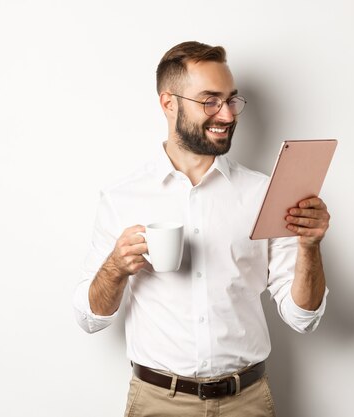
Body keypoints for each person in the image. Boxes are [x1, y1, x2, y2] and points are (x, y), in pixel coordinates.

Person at [73, 41, 330, 417]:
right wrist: (115, 267)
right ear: (168, 103)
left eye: (232, 100)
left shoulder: (264, 194)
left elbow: (302, 317)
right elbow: (89, 318)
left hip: (248, 402)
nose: (226, 114)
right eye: (209, 101)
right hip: (158, 403)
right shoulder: (121, 198)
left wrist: (310, 246)